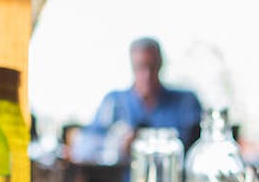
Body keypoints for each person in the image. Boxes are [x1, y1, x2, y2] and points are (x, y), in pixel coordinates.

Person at [74, 37, 203, 164]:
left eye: (152, 67)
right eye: (140, 67)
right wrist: (119, 146)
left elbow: (198, 149)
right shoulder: (115, 102)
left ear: (161, 65)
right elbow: (82, 149)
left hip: (171, 181)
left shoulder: (185, 103)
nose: (147, 75)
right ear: (132, 67)